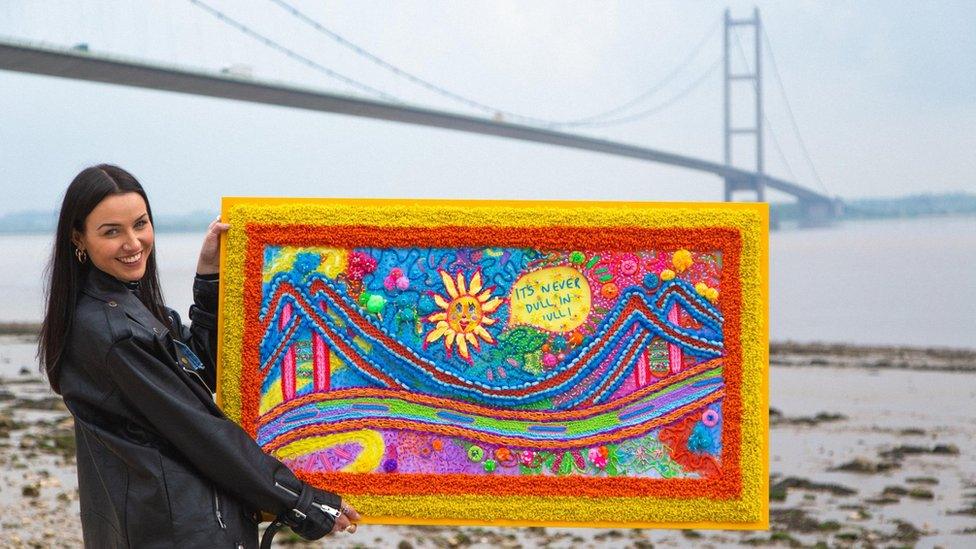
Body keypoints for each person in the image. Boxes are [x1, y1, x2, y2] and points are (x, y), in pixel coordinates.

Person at [38, 164, 360, 548]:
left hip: (170, 521)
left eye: (140, 224)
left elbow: (202, 370)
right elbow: (202, 430)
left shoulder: (124, 305)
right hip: (176, 531)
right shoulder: (112, 333)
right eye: (112, 232)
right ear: (79, 238)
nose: (134, 242)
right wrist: (300, 500)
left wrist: (209, 276)